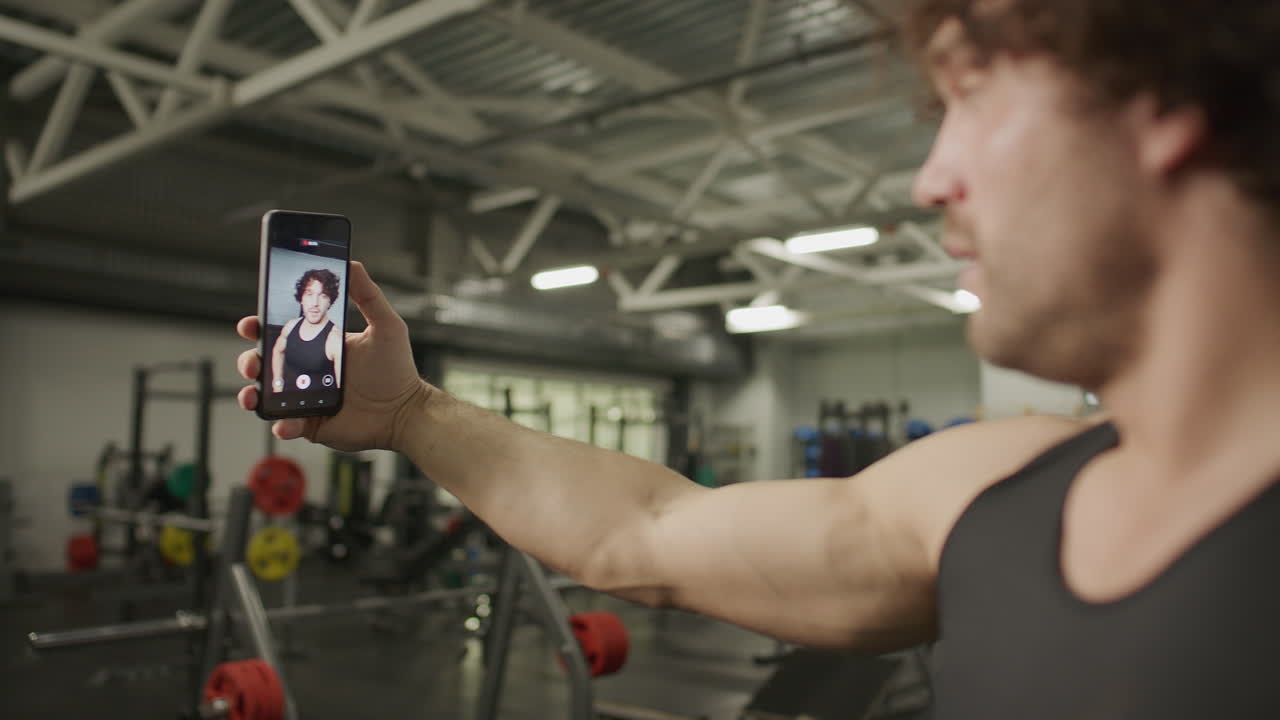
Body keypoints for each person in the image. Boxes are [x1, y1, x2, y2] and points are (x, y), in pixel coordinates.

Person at [236, 1, 1280, 715]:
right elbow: (645, 531)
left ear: (1162, 107)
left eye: (973, 98)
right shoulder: (992, 491)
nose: (930, 178)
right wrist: (411, 413)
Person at [270, 269, 343, 393]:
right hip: (285, 400)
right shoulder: (291, 326)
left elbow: (342, 392)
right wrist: (277, 384)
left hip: (319, 403)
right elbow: (277, 351)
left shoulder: (335, 339)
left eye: (323, 295)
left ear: (330, 301)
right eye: (309, 294)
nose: (315, 303)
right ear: (301, 298)